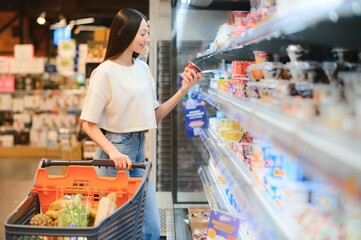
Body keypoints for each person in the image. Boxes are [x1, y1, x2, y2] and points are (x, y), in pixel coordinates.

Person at [79, 8, 203, 240]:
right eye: (143, 33)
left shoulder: (143, 69)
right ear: (125, 34)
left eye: (148, 33)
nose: (147, 39)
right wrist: (114, 152)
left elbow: (154, 115)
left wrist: (184, 89)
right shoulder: (104, 72)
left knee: (149, 230)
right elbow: (88, 123)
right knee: (115, 232)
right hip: (114, 155)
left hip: (137, 153)